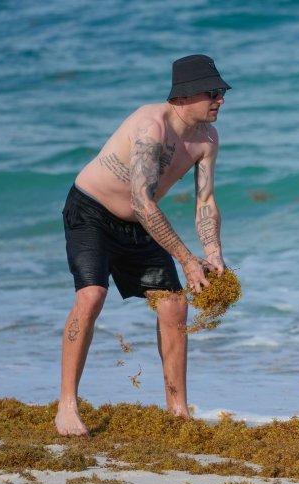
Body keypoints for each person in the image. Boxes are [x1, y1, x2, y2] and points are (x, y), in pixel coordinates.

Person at [56, 54, 230, 436]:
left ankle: (177, 412)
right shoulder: (152, 126)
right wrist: (187, 259)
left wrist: (213, 252)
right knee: (92, 296)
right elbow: (142, 201)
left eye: (221, 92)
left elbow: (205, 201)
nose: (220, 99)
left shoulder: (206, 139)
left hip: (139, 223)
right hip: (92, 212)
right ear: (183, 96)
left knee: (174, 305)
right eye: (212, 92)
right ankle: (67, 406)